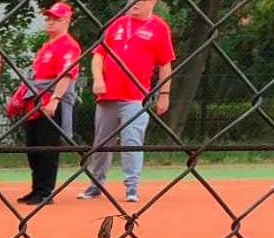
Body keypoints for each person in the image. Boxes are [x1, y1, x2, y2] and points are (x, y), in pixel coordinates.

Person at [81, 0, 174, 203]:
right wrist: (98, 79)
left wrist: (164, 94)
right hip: (107, 95)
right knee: (101, 143)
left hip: (136, 96)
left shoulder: (159, 27)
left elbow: (165, 64)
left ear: (152, 2)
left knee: (131, 141)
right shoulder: (117, 23)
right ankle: (95, 185)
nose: (134, 3)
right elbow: (98, 55)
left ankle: (131, 187)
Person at [20, 3, 82, 205]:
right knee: (33, 147)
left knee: (47, 147)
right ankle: (36, 188)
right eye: (48, 18)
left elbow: (66, 75)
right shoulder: (47, 46)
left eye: (56, 19)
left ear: (67, 21)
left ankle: (45, 191)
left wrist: (55, 99)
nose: (50, 22)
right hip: (35, 101)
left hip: (51, 100)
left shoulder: (69, 45)